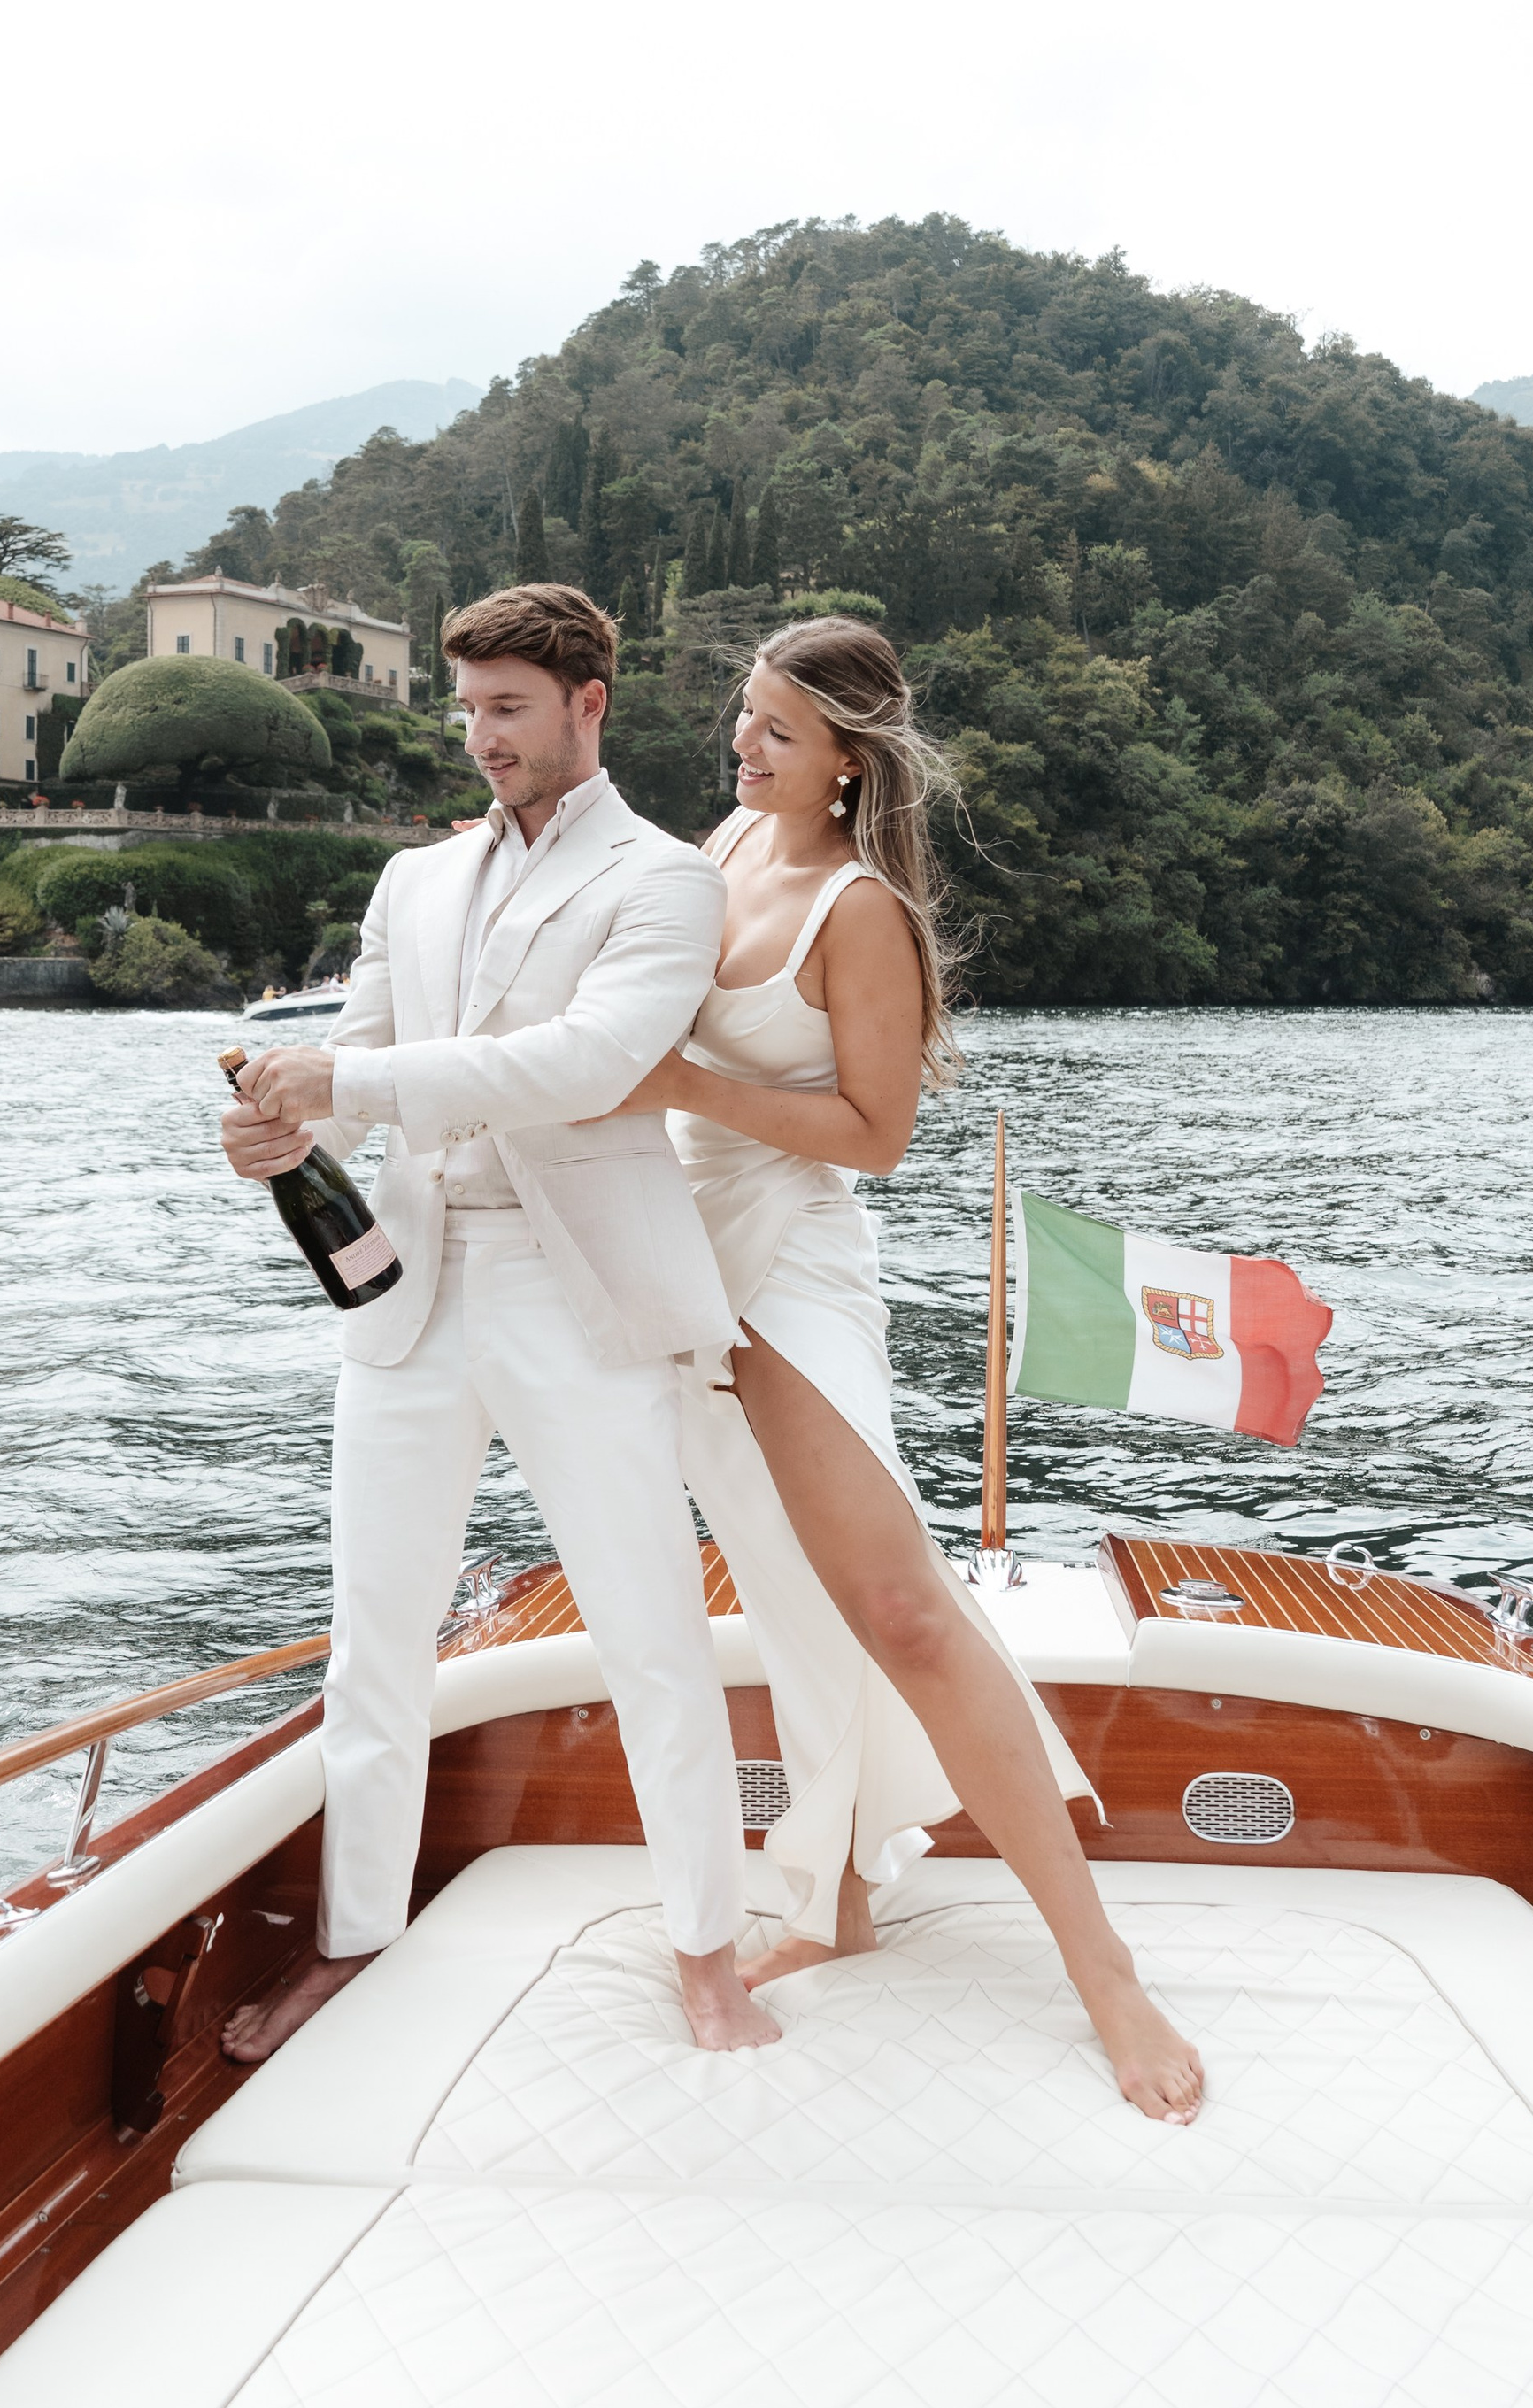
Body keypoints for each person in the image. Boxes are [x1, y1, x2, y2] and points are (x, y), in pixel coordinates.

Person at [617, 614, 1204, 2125]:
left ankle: (1105, 1971)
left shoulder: (860, 909)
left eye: (777, 732)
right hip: (679, 1252)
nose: (742, 745)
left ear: (847, 762)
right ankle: (838, 1895)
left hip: (792, 1256)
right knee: (786, 1588)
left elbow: (877, 1136)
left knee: (902, 1611)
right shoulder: (720, 847)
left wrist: (684, 1080)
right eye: (745, 716)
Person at [218, 583, 776, 2062]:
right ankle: (353, 1942)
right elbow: (357, 1064)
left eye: (509, 708)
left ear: (591, 703)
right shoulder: (412, 879)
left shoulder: (668, 879)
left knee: (650, 1630)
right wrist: (280, 1127)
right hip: (407, 1285)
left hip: (574, 1285)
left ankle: (708, 1956)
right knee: (373, 1639)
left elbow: (589, 1065)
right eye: (467, 708)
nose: (481, 737)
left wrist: (343, 1083)